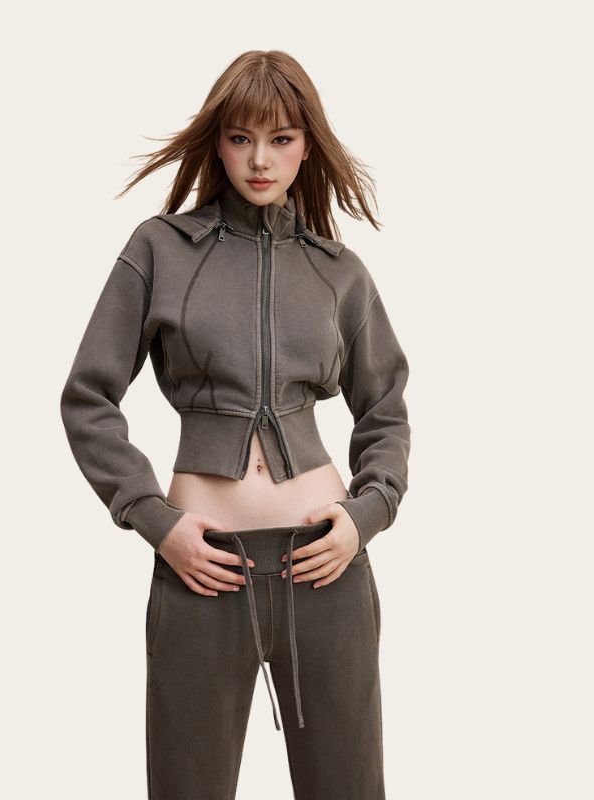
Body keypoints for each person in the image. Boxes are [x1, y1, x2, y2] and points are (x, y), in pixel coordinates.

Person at [60, 49, 411, 800]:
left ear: (307, 146)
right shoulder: (159, 249)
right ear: (216, 142)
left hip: (325, 570)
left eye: (281, 139)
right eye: (241, 137)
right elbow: (88, 398)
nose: (259, 160)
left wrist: (366, 515)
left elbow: (385, 408)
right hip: (202, 568)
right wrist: (156, 521)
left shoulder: (339, 271)